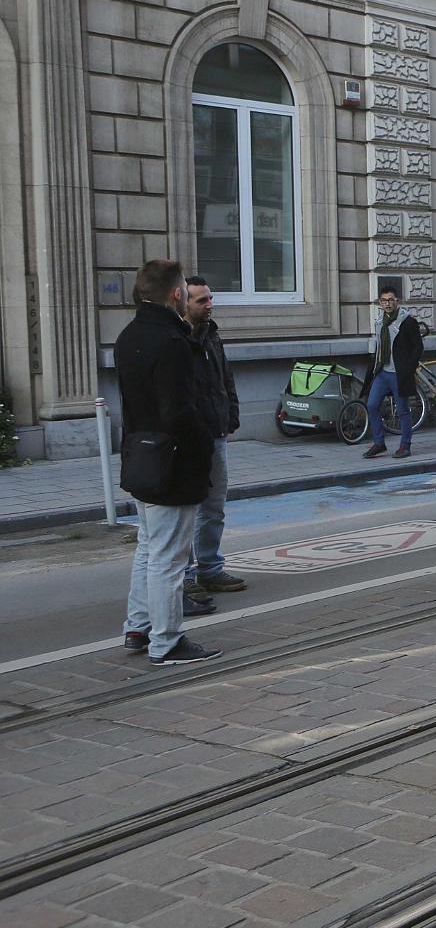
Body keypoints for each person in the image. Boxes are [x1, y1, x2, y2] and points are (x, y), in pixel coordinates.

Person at [115, 260, 223, 665]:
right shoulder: (172, 341)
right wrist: (203, 445)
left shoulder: (129, 336)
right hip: (173, 463)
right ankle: (167, 640)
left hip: (141, 456)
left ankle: (139, 626)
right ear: (176, 294)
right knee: (169, 557)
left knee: (148, 547)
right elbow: (179, 411)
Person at [180, 275, 247, 599]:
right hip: (191, 437)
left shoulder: (212, 334)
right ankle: (187, 574)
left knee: (214, 506)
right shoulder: (178, 338)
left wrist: (231, 413)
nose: (209, 305)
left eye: (210, 298)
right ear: (184, 302)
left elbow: (225, 377)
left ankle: (210, 568)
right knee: (187, 509)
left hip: (217, 432)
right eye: (201, 300)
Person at [363, 284, 425, 459]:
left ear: (397, 301)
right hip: (382, 371)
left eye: (390, 300)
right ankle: (379, 443)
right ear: (380, 303)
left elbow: (418, 347)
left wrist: (409, 367)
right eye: (383, 300)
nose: (387, 304)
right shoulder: (379, 322)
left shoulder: (407, 322)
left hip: (399, 373)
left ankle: (405, 445)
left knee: (403, 409)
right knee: (372, 405)